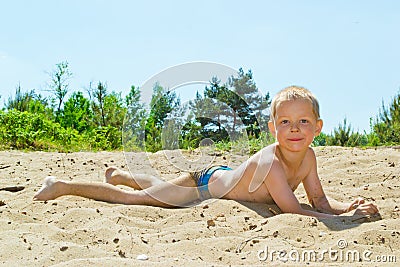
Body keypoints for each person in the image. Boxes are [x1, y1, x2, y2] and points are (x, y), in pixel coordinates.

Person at [33, 86, 379, 219]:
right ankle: (62, 184)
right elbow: (292, 210)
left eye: (303, 121)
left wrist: (347, 206)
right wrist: (343, 220)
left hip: (223, 173)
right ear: (273, 128)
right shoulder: (271, 163)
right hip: (208, 183)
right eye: (285, 121)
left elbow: (317, 201)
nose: (294, 129)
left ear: (317, 128)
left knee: (161, 189)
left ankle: (123, 175)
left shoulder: (310, 158)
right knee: (142, 201)